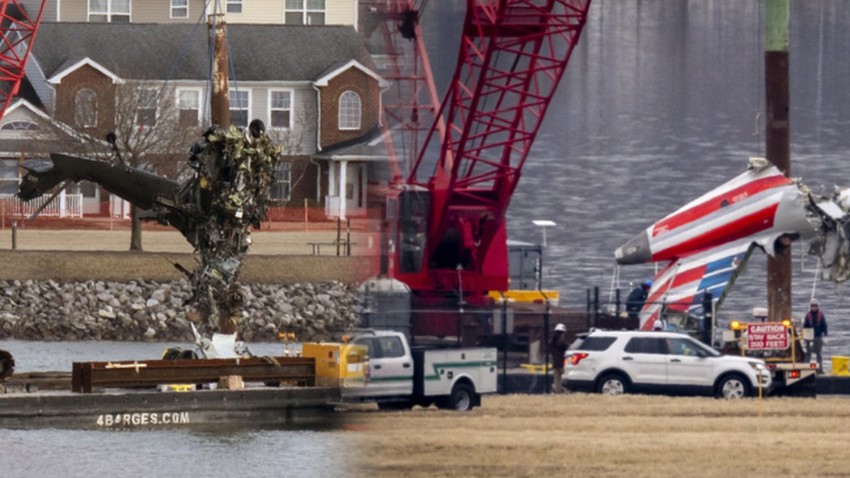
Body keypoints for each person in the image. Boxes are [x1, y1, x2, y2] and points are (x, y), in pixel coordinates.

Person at [803, 299, 828, 373]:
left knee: (819, 353)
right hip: (810, 339)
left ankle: (820, 369)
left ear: (817, 307)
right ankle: (805, 368)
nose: (814, 308)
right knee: (808, 352)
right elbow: (805, 326)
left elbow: (824, 325)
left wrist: (825, 335)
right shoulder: (808, 316)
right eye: (812, 306)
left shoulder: (821, 315)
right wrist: (805, 337)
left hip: (818, 338)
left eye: (815, 306)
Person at [550, 323, 569, 394]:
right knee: (565, 377)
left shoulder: (553, 340)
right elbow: (569, 348)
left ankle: (558, 393)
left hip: (555, 363)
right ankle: (565, 391)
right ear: (563, 332)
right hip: (562, 363)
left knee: (557, 380)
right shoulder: (562, 340)